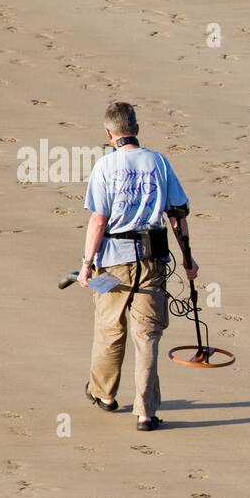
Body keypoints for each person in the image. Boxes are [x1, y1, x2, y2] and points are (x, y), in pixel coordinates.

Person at [79, 101, 198, 431]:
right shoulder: (158, 162)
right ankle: (145, 412)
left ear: (108, 134)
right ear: (137, 129)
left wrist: (87, 264)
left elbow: (98, 219)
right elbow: (177, 215)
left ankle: (104, 394)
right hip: (152, 261)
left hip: (113, 263)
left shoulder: (105, 167)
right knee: (147, 336)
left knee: (109, 329)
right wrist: (188, 259)